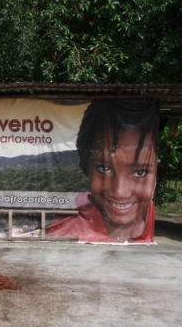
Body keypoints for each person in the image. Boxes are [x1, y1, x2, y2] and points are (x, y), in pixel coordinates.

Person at [47, 100, 159, 243]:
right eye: (104, 169)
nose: (120, 192)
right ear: (87, 167)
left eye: (140, 172)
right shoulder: (68, 227)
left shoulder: (148, 214)